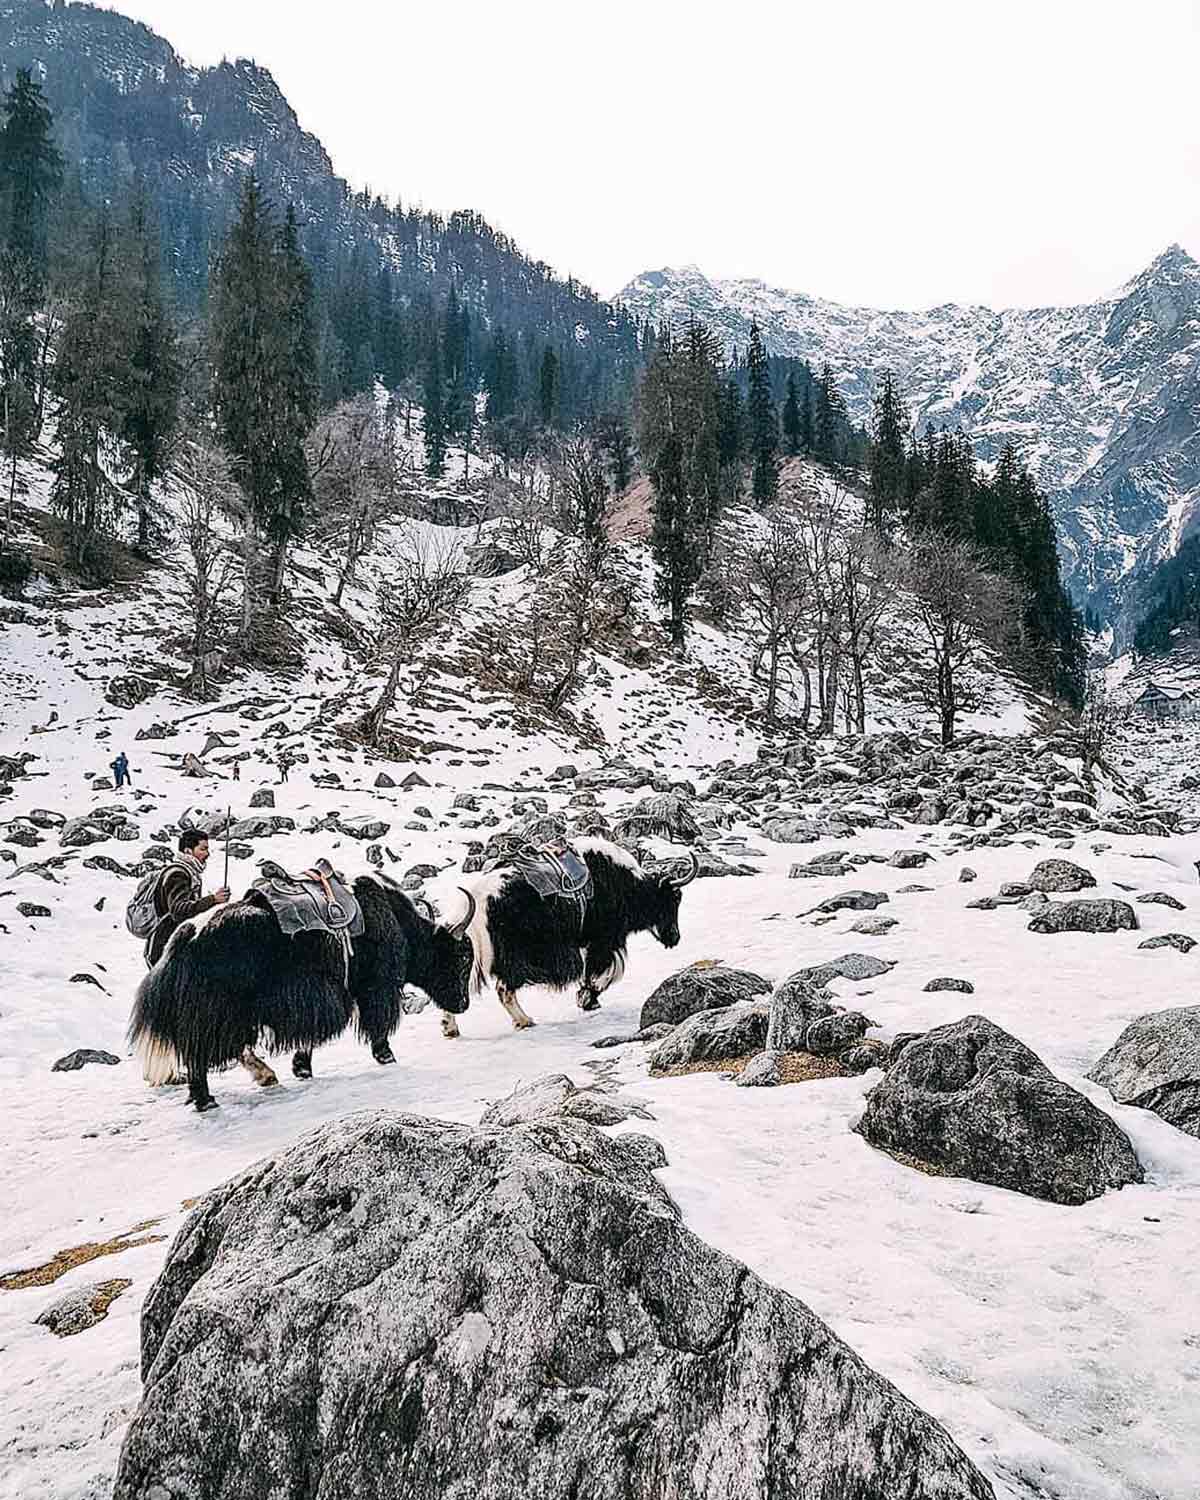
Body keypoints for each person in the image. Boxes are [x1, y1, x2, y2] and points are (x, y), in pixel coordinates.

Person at [145, 828, 230, 967]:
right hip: (165, 949)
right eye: (203, 849)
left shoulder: (189, 872)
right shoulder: (178, 874)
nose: (207, 854)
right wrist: (213, 899)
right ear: (188, 851)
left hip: (172, 946)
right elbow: (179, 911)